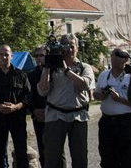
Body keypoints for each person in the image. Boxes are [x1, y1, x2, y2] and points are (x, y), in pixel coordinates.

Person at [37, 33, 95, 168]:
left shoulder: (84, 67)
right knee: (52, 157)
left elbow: (84, 85)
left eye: (72, 46)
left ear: (77, 48)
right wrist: (47, 67)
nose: (69, 49)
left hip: (78, 116)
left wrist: (66, 70)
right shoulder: (52, 68)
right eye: (66, 46)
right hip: (56, 115)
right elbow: (42, 91)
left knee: (80, 157)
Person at [0, 45, 30, 168]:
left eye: (7, 54)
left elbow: (28, 97)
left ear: (11, 56)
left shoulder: (21, 75)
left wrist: (16, 107)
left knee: (21, 153)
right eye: (1, 54)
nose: (4, 57)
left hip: (17, 118)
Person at [93, 47, 131, 167]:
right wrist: (101, 96)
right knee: (107, 157)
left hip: (126, 121)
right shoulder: (104, 75)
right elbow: (96, 94)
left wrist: (119, 99)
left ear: (125, 58)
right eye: (112, 55)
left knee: (127, 157)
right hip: (107, 121)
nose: (113, 57)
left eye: (117, 54)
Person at [27, 45, 57, 168]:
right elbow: (29, 95)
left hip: (54, 113)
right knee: (42, 148)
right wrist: (34, 111)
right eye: (36, 56)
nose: (39, 58)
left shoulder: (55, 72)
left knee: (56, 150)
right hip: (38, 115)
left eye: (42, 55)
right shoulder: (31, 75)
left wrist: (48, 110)